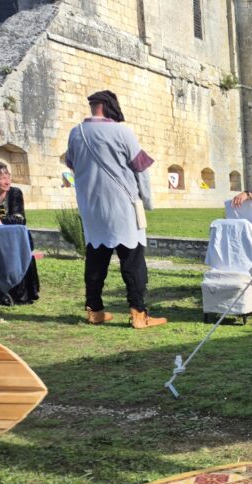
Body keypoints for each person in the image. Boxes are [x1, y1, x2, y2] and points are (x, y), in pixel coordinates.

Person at [65, 90, 166, 328]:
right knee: (132, 260)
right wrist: (147, 200)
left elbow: (73, 166)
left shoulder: (76, 133)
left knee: (96, 259)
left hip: (92, 207)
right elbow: (140, 169)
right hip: (122, 206)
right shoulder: (122, 132)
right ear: (109, 106)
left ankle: (95, 310)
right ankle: (138, 314)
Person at [0, 160, 40, 305]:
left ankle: (10, 293)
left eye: (8, 176)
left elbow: (19, 219)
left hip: (11, 240)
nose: (7, 181)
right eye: (2, 178)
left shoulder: (14, 193)